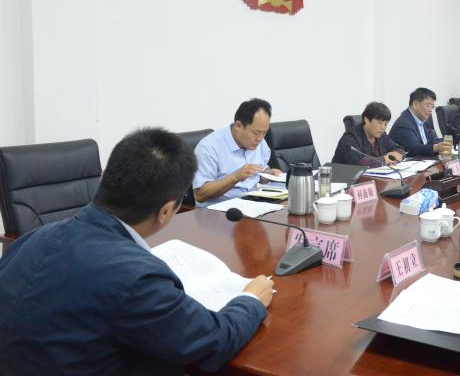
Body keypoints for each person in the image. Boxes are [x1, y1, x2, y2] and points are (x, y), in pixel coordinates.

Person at [0, 128, 273, 374]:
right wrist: (250, 300)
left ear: (104, 177)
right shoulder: (136, 278)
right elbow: (212, 342)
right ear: (166, 211)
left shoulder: (31, 239)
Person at [192, 98, 281, 207]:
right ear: (238, 126)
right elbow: (200, 194)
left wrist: (268, 174)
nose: (260, 138)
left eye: (264, 133)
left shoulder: (261, 143)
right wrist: (235, 177)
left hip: (253, 205)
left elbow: (257, 176)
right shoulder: (209, 147)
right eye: (256, 133)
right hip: (218, 211)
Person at [332, 102, 405, 165]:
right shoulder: (350, 138)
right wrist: (386, 159)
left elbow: (400, 150)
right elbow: (360, 163)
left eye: (386, 124)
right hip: (344, 176)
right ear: (366, 120)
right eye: (380, 123)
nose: (383, 128)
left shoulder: (381, 135)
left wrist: (395, 156)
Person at [389, 87, 452, 157]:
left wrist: (442, 147)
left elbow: (430, 143)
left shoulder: (423, 121)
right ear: (415, 104)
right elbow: (413, 149)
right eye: (428, 105)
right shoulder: (403, 123)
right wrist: (435, 147)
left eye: (432, 107)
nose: (430, 110)